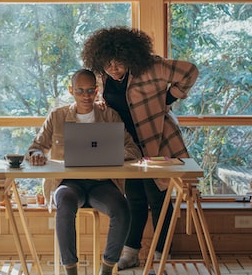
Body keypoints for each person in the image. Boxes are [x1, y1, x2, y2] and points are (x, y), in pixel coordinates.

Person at [81, 26, 199, 270]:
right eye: (107, 63)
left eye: (119, 62)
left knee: (159, 198)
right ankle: (131, 253)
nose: (113, 68)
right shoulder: (104, 78)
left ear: (130, 56)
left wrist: (169, 98)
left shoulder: (151, 66)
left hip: (157, 140)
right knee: (132, 198)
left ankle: (161, 254)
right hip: (127, 147)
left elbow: (190, 71)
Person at [25, 69, 142, 275]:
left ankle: (107, 268)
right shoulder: (57, 116)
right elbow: (35, 147)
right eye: (80, 91)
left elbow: (133, 150)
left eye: (90, 91)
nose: (86, 96)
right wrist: (36, 154)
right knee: (64, 202)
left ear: (97, 91)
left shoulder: (109, 115)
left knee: (122, 208)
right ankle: (71, 270)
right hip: (68, 182)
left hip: (103, 184)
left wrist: (110, 152)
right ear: (71, 90)